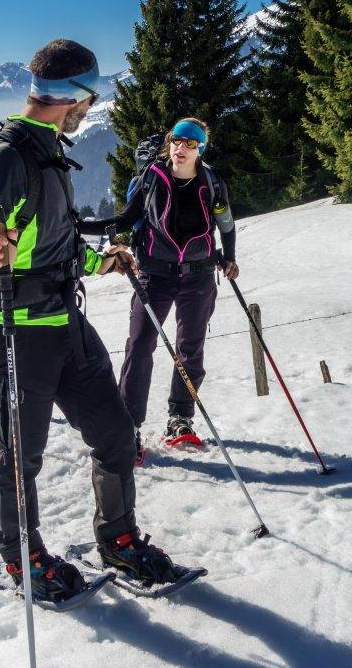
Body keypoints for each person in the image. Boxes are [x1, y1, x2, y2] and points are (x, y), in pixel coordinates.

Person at [0, 39, 185, 601]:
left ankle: (117, 538)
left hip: (67, 326)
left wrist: (99, 259)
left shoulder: (51, 151)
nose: (92, 109)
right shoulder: (8, 155)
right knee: (20, 457)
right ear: (73, 98)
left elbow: (51, 241)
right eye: (91, 98)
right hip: (18, 333)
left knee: (114, 432)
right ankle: (22, 560)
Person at [85, 117, 238, 460]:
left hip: (198, 276)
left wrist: (229, 258)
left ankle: (180, 419)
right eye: (176, 141)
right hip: (155, 275)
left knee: (190, 349)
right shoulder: (151, 179)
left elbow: (226, 225)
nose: (180, 148)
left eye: (190, 144)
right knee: (140, 346)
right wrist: (79, 225)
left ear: (201, 150)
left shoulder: (212, 182)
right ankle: (129, 427)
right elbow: (125, 220)